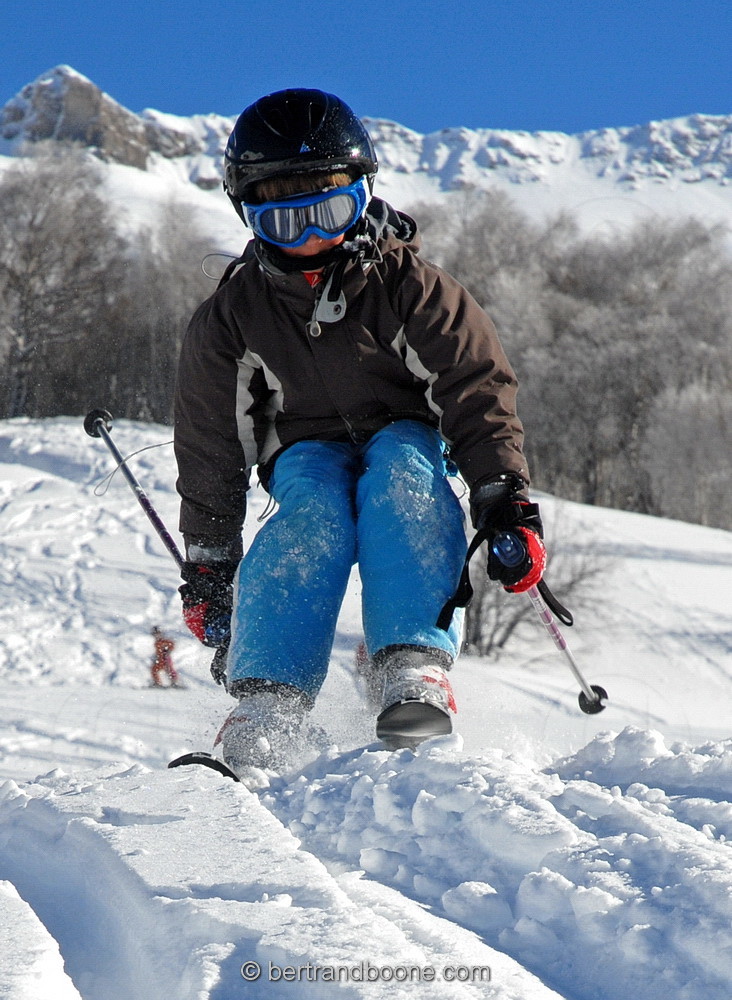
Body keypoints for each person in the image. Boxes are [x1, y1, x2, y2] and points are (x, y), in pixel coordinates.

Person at [174, 89, 546, 774]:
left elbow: (475, 389)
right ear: (248, 216)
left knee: (404, 474)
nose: (312, 238)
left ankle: (411, 668)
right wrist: (208, 562)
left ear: (365, 194)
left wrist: (503, 495)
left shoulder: (410, 287)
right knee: (312, 509)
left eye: (330, 212)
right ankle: (268, 703)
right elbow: (210, 447)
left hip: (405, 428)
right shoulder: (233, 317)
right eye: (285, 222)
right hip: (303, 446)